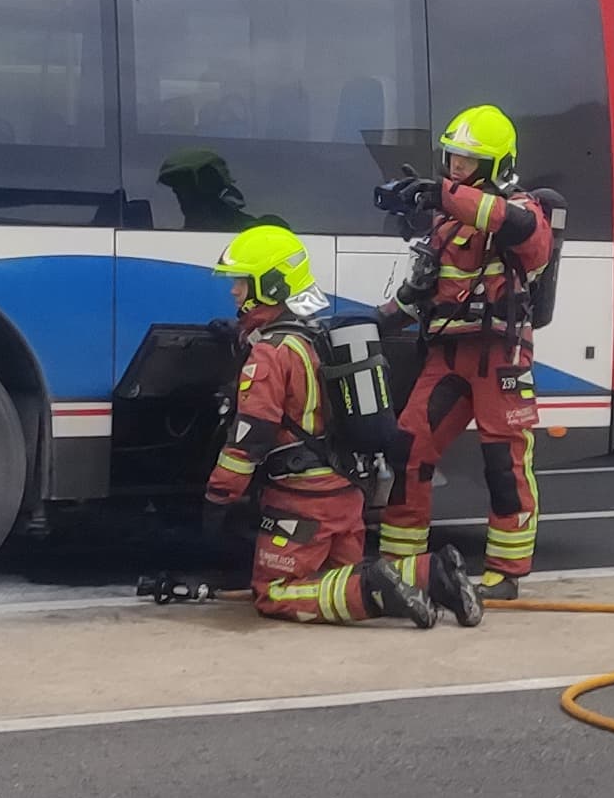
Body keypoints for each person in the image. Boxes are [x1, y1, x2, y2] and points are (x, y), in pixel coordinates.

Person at [204, 225, 461, 628]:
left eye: (241, 281)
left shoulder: (270, 355)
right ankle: (434, 574)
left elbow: (251, 436)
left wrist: (218, 498)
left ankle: (377, 591)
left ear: (270, 285)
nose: (235, 291)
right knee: (334, 580)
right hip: (346, 492)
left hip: (302, 502)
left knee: (275, 593)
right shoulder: (317, 336)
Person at [375, 105, 566, 595]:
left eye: (468, 160)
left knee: (504, 463)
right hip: (447, 355)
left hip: (500, 358)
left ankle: (506, 574)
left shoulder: (523, 211)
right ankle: (400, 568)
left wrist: (441, 193)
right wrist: (380, 318)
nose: (457, 167)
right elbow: (426, 287)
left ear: (495, 165)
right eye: (453, 157)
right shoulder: (446, 223)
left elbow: (520, 230)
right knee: (408, 450)